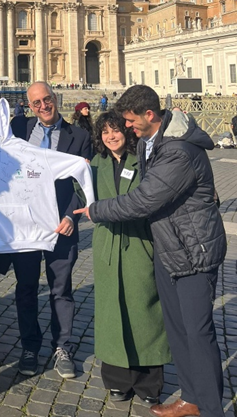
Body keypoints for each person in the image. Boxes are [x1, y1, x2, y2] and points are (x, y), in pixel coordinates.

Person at [75, 85, 227, 417]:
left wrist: (96, 211)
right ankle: (191, 399)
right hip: (170, 248)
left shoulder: (177, 151)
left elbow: (144, 199)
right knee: (178, 330)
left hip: (192, 251)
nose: (126, 127)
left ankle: (212, 409)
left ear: (149, 115)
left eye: (129, 121)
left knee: (198, 333)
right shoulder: (150, 143)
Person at [3, 81, 92, 378]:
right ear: (29, 106)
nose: (43, 106)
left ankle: (62, 347)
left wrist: (71, 217)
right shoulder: (19, 129)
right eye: (36, 103)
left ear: (56, 99)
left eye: (47, 100)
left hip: (60, 226)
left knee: (61, 289)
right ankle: (30, 346)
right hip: (26, 226)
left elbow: (84, 183)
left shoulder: (79, 136)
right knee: (26, 288)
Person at [91, 110, 170, 405]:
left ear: (127, 131)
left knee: (145, 312)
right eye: (105, 132)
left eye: (116, 130)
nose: (111, 137)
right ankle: (117, 380)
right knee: (111, 314)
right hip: (107, 245)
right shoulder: (95, 164)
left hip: (139, 244)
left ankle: (149, 383)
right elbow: (79, 193)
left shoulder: (146, 161)